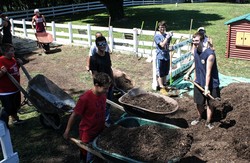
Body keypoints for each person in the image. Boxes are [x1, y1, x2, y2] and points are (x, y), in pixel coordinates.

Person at [63, 72, 112, 162]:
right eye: (105, 88)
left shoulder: (103, 95)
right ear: (97, 85)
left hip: (100, 130)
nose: (107, 90)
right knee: (88, 157)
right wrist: (67, 131)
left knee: (98, 155)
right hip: (88, 133)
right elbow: (74, 115)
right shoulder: (85, 99)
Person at [190, 32, 220, 130]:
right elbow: (195, 62)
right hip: (199, 81)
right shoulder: (195, 50)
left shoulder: (210, 54)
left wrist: (207, 88)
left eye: (197, 41)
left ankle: (208, 122)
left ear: (202, 41)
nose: (195, 43)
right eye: (193, 40)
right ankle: (199, 117)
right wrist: (188, 73)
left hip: (211, 83)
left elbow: (208, 73)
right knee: (199, 102)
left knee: (210, 104)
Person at [89, 36, 114, 127]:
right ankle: (103, 121)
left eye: (104, 44)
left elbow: (109, 68)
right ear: (97, 45)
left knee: (109, 102)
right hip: (102, 86)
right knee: (102, 103)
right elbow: (95, 74)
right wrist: (100, 87)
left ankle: (107, 119)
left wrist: (113, 80)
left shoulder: (107, 55)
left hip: (110, 84)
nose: (103, 46)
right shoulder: (94, 58)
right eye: (101, 44)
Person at [0, 43, 24, 125]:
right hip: (5, 91)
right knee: (7, 109)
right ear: (5, 52)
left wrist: (19, 64)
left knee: (15, 106)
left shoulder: (13, 59)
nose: (14, 51)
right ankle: (3, 124)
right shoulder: (1, 61)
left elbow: (13, 69)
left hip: (15, 87)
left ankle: (15, 120)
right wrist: (2, 72)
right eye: (11, 50)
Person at [154, 21, 173, 96]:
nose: (162, 28)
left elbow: (167, 45)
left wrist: (170, 47)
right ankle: (161, 86)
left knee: (166, 71)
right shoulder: (157, 36)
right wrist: (167, 37)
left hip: (167, 56)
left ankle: (165, 84)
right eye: (161, 27)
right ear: (158, 28)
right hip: (160, 56)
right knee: (160, 72)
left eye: (164, 27)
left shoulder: (166, 35)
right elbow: (162, 45)